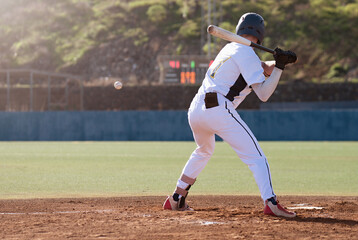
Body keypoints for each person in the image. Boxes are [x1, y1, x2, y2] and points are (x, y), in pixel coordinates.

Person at [163, 12, 297, 218]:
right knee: (257, 157)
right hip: (218, 108)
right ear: (261, 33)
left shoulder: (231, 48)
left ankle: (176, 198)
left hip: (197, 109)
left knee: (203, 150)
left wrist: (280, 63)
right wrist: (279, 67)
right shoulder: (247, 54)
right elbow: (263, 93)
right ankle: (270, 202)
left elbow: (262, 68)